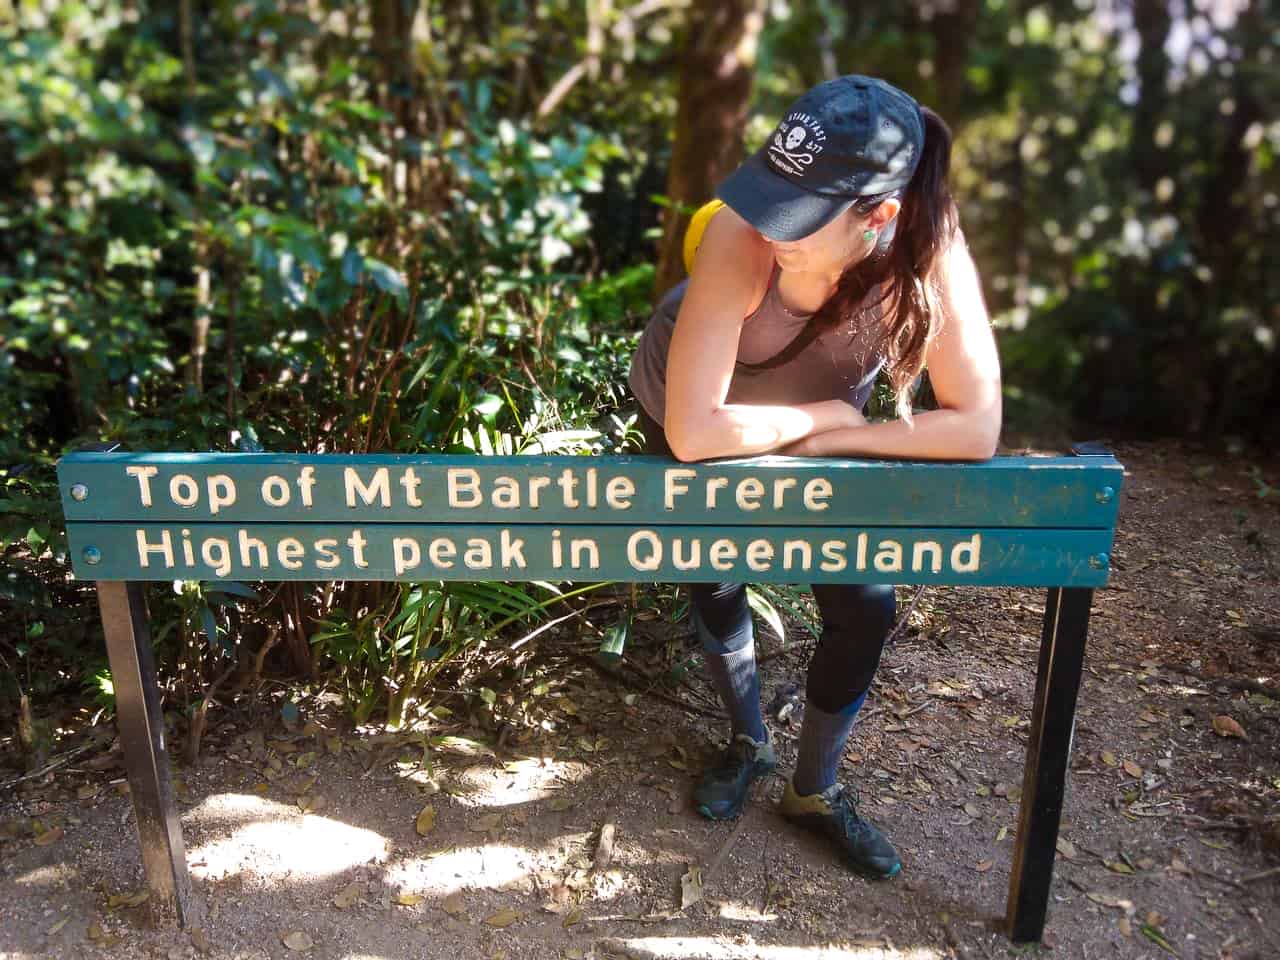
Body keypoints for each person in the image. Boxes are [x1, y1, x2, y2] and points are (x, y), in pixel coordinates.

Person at [627, 75, 1002, 879]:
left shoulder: (928, 251)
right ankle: (747, 740)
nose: (769, 222)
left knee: (864, 602)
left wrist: (839, 436)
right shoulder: (741, 233)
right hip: (700, 400)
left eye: (797, 214)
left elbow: (977, 425)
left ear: (880, 217)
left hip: (816, 427)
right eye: (771, 192)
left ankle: (815, 788)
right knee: (714, 567)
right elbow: (696, 432)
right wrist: (828, 423)